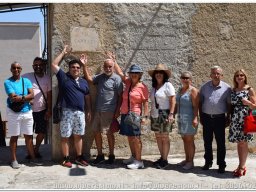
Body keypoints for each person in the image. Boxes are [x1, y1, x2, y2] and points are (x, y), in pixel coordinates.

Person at [51, 45, 92, 168]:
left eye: (77, 67)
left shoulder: (84, 82)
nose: (75, 69)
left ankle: (79, 158)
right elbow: (53, 64)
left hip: (80, 112)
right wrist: (63, 52)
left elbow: (87, 97)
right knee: (65, 136)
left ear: (80, 69)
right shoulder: (64, 78)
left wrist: (89, 110)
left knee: (78, 136)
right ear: (69, 69)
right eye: (73, 67)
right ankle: (65, 159)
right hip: (66, 112)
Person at [81, 53, 123, 165]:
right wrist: (84, 65)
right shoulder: (100, 77)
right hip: (98, 110)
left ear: (113, 67)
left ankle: (112, 155)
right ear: (103, 67)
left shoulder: (117, 79)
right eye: (106, 66)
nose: (108, 68)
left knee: (109, 133)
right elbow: (89, 79)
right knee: (96, 132)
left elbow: (120, 96)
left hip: (109, 111)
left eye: (110, 66)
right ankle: (100, 155)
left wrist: (118, 110)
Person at [112, 56, 149, 169]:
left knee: (136, 137)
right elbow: (119, 72)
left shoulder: (143, 87)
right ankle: (133, 157)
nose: (134, 74)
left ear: (140, 75)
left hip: (135, 115)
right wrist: (114, 61)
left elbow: (145, 102)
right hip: (125, 113)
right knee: (129, 136)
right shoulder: (128, 82)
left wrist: (145, 116)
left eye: (136, 73)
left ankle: (139, 161)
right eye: (132, 73)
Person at [4, 61, 37, 169]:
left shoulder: (26, 81)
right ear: (11, 69)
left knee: (29, 136)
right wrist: (26, 97)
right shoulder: (7, 82)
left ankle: (32, 157)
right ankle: (13, 160)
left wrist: (22, 98)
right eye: (14, 68)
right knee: (14, 136)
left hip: (27, 111)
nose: (16, 70)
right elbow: (13, 97)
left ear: (21, 69)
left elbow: (32, 95)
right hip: (14, 113)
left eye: (18, 68)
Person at [199, 65, 231, 173]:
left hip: (220, 119)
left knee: (220, 143)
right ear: (210, 75)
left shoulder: (227, 88)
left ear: (221, 75)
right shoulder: (204, 87)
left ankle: (221, 164)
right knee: (207, 142)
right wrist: (201, 116)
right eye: (214, 73)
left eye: (218, 73)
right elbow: (200, 103)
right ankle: (208, 162)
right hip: (207, 118)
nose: (216, 75)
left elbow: (229, 104)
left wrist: (228, 117)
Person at [228, 69, 256, 177]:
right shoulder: (233, 90)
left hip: (245, 118)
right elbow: (231, 105)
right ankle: (240, 165)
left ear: (245, 77)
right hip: (235, 118)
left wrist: (248, 102)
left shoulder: (249, 89)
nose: (239, 77)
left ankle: (242, 167)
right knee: (239, 143)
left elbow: (255, 106)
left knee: (244, 143)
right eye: (237, 75)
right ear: (235, 78)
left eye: (241, 75)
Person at [148, 63, 175, 169]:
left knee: (164, 137)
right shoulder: (154, 87)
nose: (158, 74)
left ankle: (165, 160)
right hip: (155, 113)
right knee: (158, 137)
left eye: (161, 73)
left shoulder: (168, 85)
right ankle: (161, 158)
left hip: (165, 113)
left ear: (164, 75)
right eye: (157, 73)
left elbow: (172, 99)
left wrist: (171, 114)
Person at [23, 57, 52, 158]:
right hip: (28, 110)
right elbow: (19, 87)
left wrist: (49, 110)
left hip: (42, 110)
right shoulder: (26, 77)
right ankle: (30, 152)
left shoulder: (48, 78)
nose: (38, 67)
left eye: (40, 65)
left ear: (44, 66)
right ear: (33, 66)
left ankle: (36, 149)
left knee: (42, 132)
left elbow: (49, 95)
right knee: (28, 132)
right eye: (35, 65)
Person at [175, 71, 199, 170]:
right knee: (185, 140)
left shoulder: (193, 90)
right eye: (183, 78)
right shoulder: (180, 90)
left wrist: (195, 118)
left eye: (187, 78)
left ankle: (190, 161)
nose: (185, 79)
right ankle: (187, 159)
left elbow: (196, 106)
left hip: (190, 118)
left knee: (189, 140)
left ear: (191, 80)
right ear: (181, 79)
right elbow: (177, 103)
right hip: (182, 118)